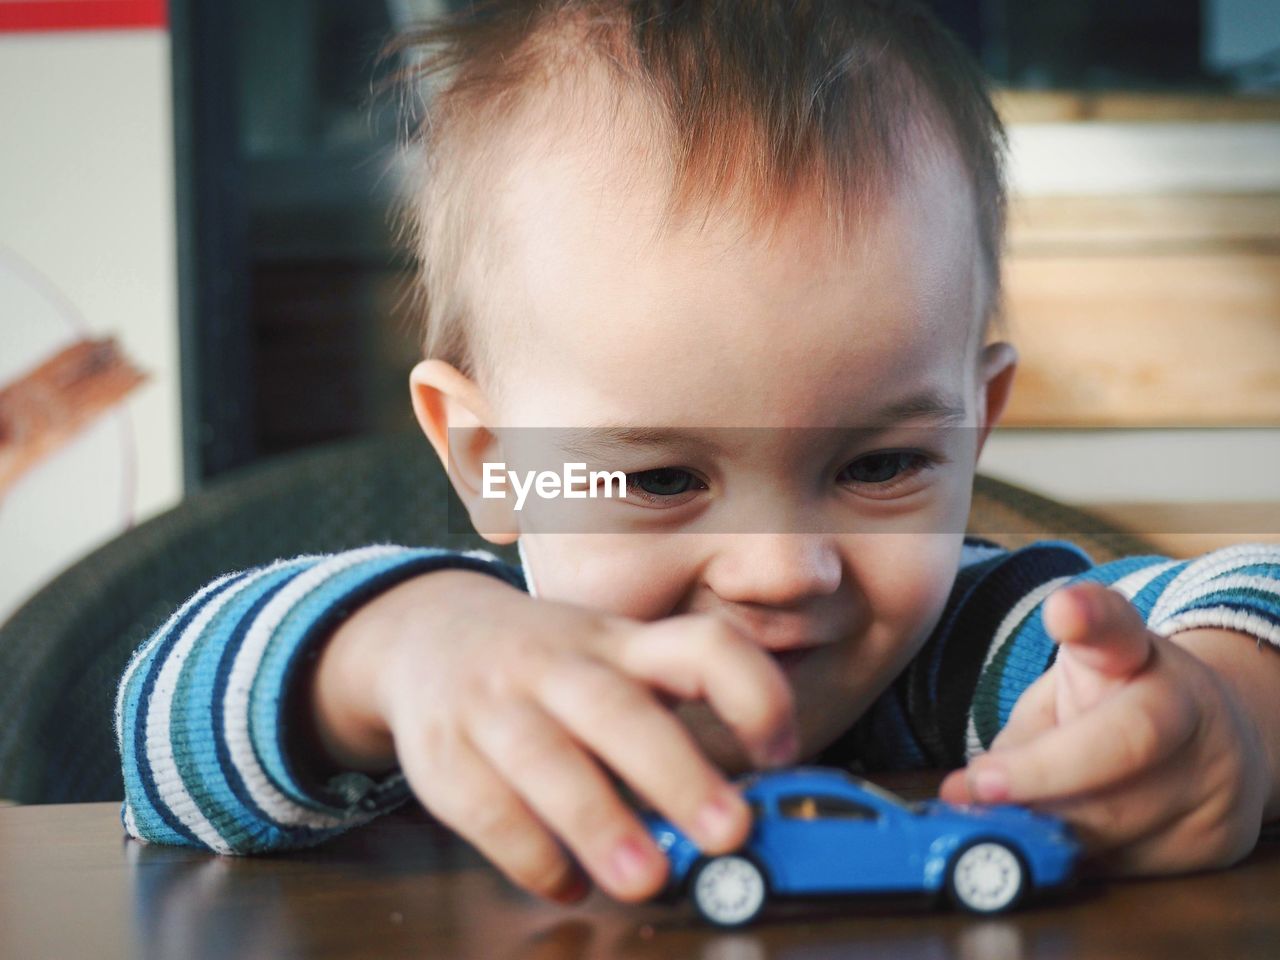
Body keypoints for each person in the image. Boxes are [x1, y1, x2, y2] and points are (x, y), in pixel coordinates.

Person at [116, 0, 1280, 908]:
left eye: (878, 467)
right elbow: (156, 721)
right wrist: (389, 660)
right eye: (659, 479)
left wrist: (1225, 708)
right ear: (487, 459)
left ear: (972, 425)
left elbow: (1246, 599)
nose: (781, 573)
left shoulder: (965, 657)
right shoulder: (472, 669)